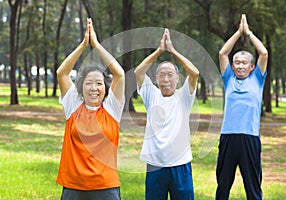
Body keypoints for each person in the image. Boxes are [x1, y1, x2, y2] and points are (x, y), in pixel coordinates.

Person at [56, 18, 125, 200]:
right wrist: (82, 45)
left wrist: (96, 44)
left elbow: (119, 73)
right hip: (73, 186)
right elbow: (61, 73)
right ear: (81, 87)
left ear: (105, 87)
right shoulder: (73, 104)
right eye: (89, 83)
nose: (94, 88)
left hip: (106, 186)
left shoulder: (112, 108)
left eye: (99, 83)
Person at [134, 28, 199, 200]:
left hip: (180, 165)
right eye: (161, 75)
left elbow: (195, 73)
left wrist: (173, 51)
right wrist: (159, 50)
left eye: (170, 75)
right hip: (155, 166)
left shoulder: (184, 96)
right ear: (156, 79)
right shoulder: (151, 94)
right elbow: (138, 72)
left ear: (178, 79)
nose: (166, 79)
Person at [216, 14, 268, 200]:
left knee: (253, 186)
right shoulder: (228, 78)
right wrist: (238, 33)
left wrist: (249, 33)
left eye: (244, 63)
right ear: (232, 65)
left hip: (250, 138)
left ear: (252, 66)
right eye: (237, 62)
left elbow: (264, 53)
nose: (240, 66)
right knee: (223, 185)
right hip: (228, 137)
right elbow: (222, 53)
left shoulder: (257, 79)